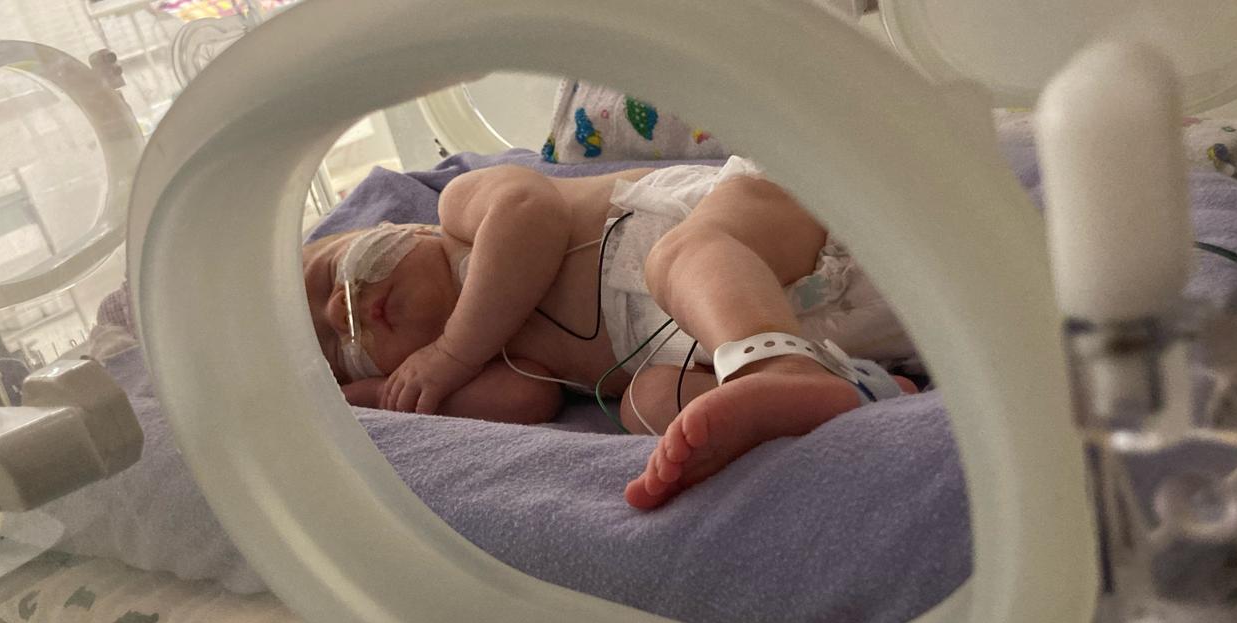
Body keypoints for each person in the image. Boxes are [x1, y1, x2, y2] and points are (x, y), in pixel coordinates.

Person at [302, 158, 916, 510]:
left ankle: (783, 373)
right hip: (815, 330)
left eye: (332, 272)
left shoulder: (460, 213)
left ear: (386, 227)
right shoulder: (498, 361)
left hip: (779, 226)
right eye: (339, 351)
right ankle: (851, 393)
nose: (338, 310)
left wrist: (449, 351)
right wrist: (378, 396)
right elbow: (525, 402)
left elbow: (529, 212)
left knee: (682, 255)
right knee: (645, 404)